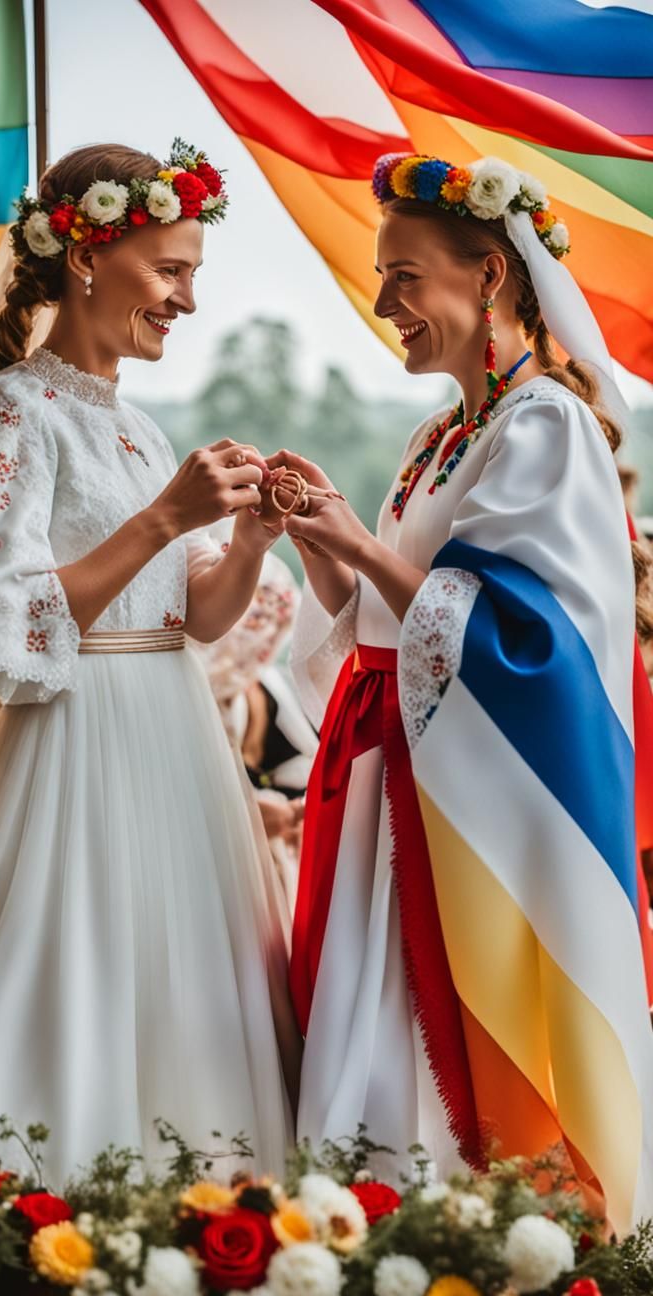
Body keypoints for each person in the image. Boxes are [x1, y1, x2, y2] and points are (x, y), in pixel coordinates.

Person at [0, 141, 296, 1211]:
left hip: (175, 746)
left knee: (181, 1002)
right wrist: (168, 514)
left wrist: (244, 537)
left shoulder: (135, 423)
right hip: (72, 749)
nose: (188, 298)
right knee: (77, 986)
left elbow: (186, 619)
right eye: (170, 268)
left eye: (194, 273)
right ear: (86, 258)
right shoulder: (12, 411)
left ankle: (189, 1245)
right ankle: (41, 1247)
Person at [280, 153, 653, 1234]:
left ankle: (464, 1239)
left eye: (404, 276)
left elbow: (530, 635)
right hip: (392, 769)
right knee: (367, 1005)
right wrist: (325, 541)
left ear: (487, 273)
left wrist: (360, 540)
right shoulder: (435, 438)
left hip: (471, 792)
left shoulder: (545, 426)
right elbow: (386, 612)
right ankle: (362, 1225)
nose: (385, 301)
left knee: (439, 1023)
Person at [198, 543, 317, 917]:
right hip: (227, 886)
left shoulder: (278, 689)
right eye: (251, 617)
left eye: (271, 618)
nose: (259, 631)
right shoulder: (197, 701)